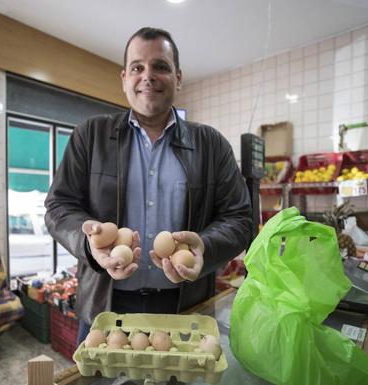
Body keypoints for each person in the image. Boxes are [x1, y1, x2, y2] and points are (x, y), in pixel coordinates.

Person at [44, 27, 252, 344]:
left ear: (178, 78)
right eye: (138, 67)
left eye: (161, 67)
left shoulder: (211, 144)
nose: (148, 76)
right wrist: (89, 245)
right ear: (124, 77)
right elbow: (58, 207)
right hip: (106, 306)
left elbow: (240, 217)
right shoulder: (91, 135)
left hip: (185, 308)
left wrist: (205, 247)